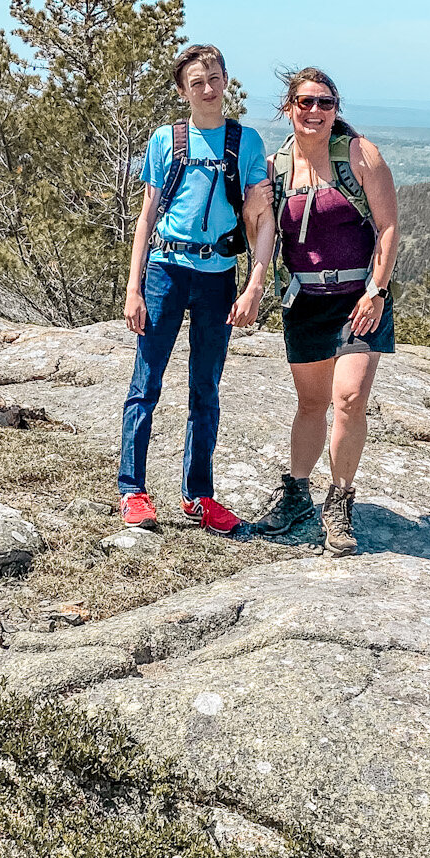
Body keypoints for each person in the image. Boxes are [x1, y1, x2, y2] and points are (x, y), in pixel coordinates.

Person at [118, 44, 274, 532]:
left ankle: (199, 496)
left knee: (205, 388)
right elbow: (146, 217)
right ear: (183, 90)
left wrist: (254, 287)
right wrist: (133, 288)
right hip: (166, 270)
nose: (207, 89)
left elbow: (261, 218)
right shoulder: (166, 140)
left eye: (213, 78)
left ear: (226, 79)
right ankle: (133, 490)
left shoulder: (245, 143)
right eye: (196, 82)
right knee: (147, 383)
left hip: (218, 277)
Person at [250, 67, 399, 556]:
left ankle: (340, 503)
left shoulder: (358, 154)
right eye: (306, 102)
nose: (316, 111)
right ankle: (297, 494)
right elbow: (262, 238)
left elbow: (389, 227)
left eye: (326, 103)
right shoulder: (274, 168)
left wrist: (376, 290)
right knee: (312, 405)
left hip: (361, 299)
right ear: (288, 107)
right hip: (306, 301)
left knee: (350, 397)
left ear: (336, 108)